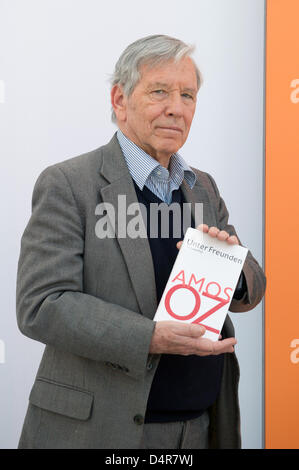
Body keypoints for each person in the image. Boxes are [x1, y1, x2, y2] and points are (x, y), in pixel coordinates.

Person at [16, 35, 266, 449]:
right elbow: (42, 304)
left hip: (200, 428)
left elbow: (249, 289)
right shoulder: (68, 184)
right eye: (159, 92)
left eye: (187, 95)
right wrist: (149, 337)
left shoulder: (201, 187)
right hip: (100, 432)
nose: (176, 107)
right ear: (119, 100)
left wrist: (233, 271)